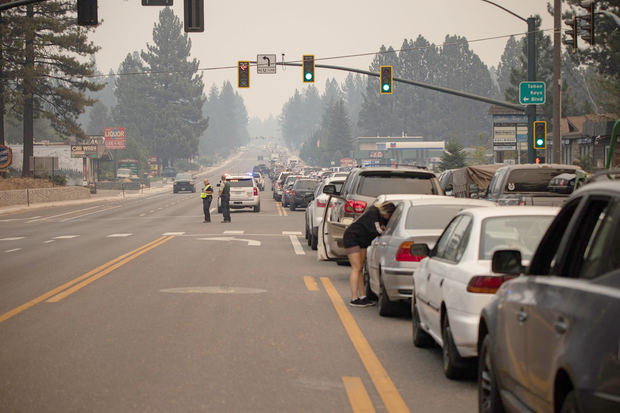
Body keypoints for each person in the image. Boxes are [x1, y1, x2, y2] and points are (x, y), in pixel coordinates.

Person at [342, 201, 397, 307]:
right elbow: (375, 230)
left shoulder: (380, 217)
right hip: (352, 237)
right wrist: (383, 231)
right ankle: (354, 298)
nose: (388, 218)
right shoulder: (373, 213)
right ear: (386, 212)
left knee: (360, 268)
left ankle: (363, 297)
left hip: (362, 240)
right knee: (356, 268)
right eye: (389, 216)